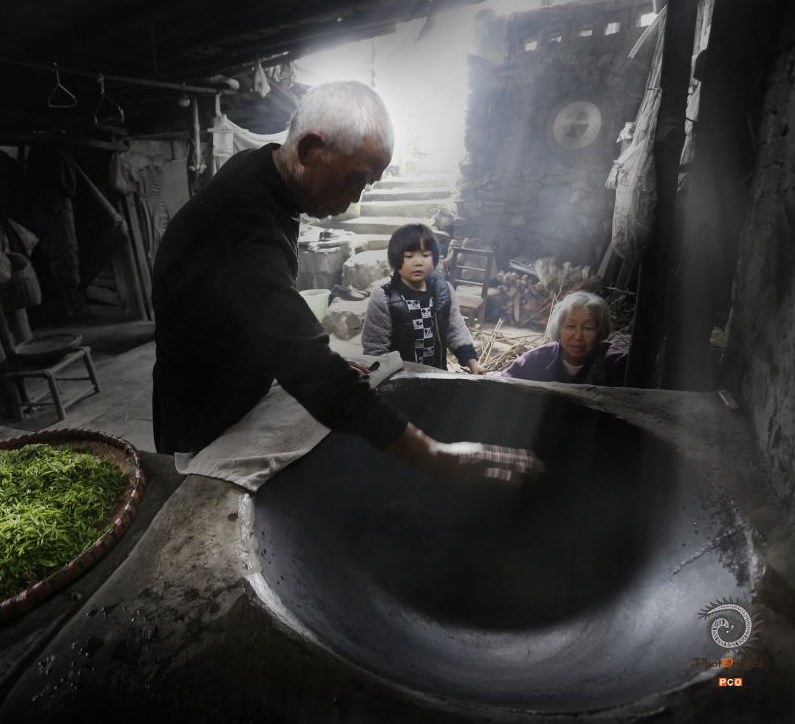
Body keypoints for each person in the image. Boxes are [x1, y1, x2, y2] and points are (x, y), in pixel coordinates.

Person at [152, 81, 543, 484]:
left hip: (243, 381)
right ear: (309, 149)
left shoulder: (265, 170)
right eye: (356, 178)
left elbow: (263, 305)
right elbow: (304, 363)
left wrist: (312, 353)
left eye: (368, 184)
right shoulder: (243, 223)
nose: (356, 198)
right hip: (206, 416)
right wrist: (435, 455)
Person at [361, 223, 482, 374]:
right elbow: (375, 349)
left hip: (437, 375)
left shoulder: (444, 291)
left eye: (425, 255)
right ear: (395, 259)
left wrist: (472, 363)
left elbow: (456, 330)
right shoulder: (383, 298)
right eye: (409, 256)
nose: (418, 262)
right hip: (398, 379)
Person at [503, 291, 628, 386]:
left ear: (600, 330)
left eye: (588, 328)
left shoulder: (615, 363)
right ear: (559, 328)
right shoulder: (536, 359)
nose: (578, 336)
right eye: (570, 326)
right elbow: (502, 383)